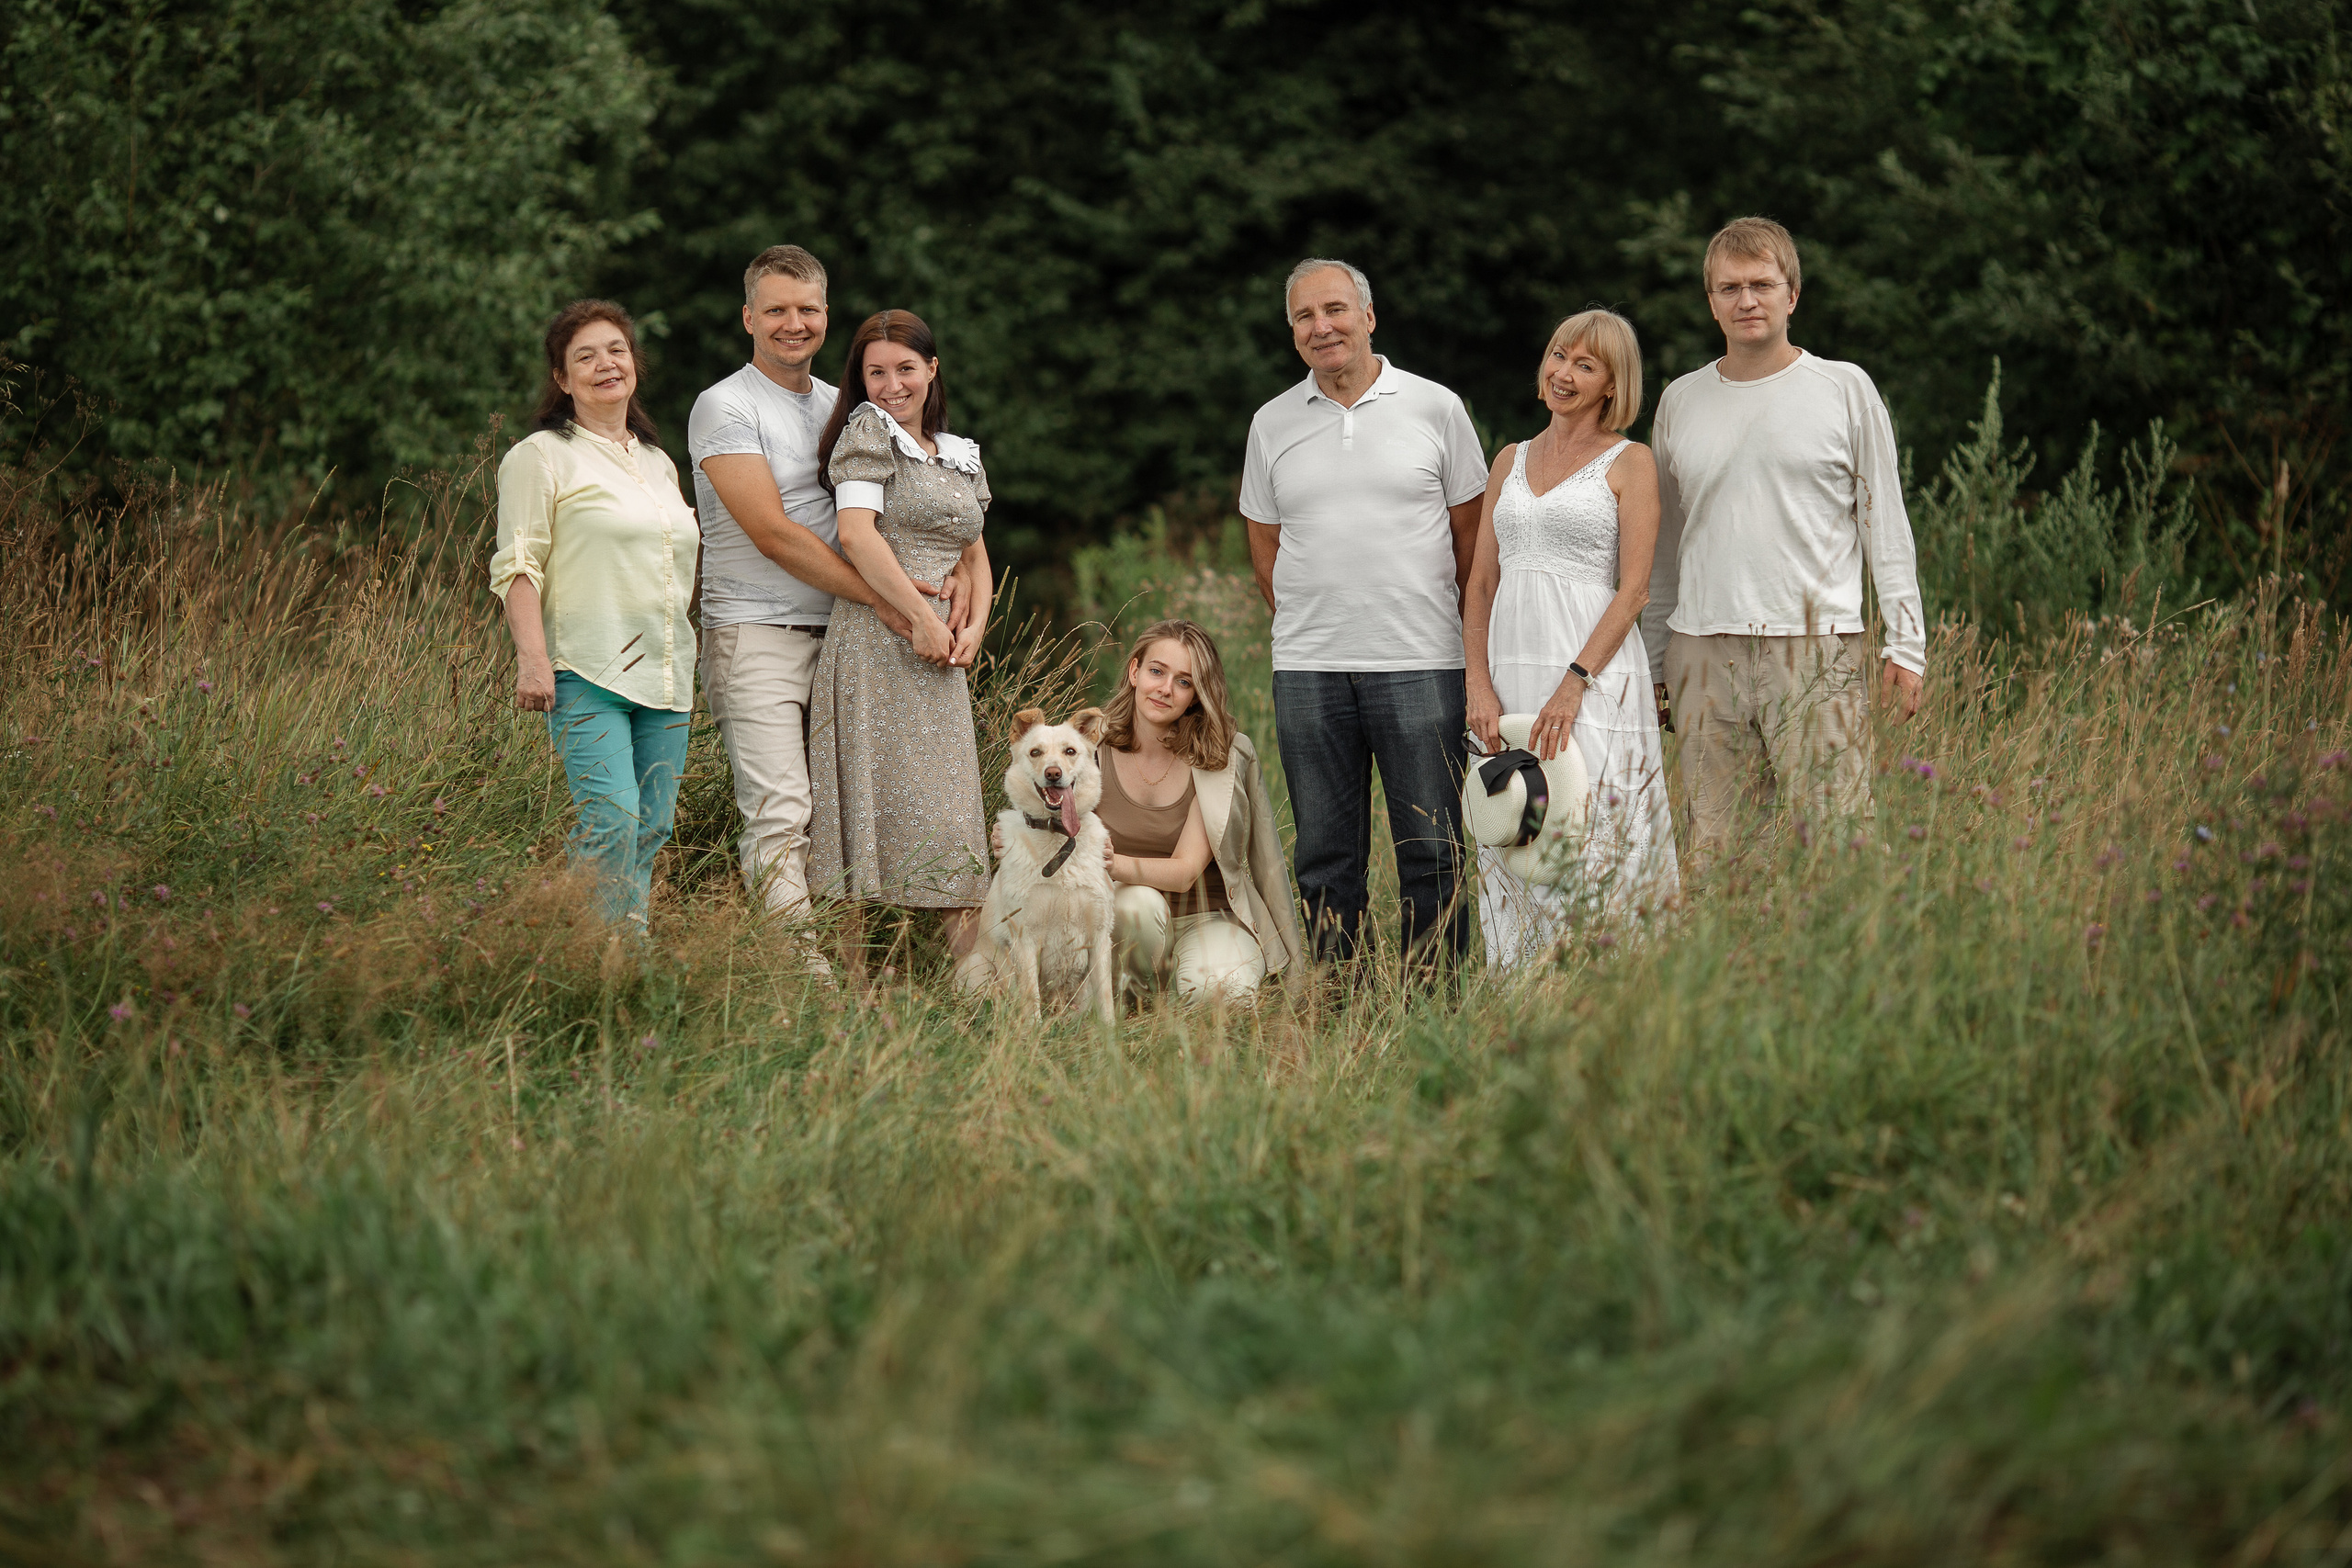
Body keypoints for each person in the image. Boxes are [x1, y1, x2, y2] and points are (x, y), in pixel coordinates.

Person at [688, 246, 970, 942]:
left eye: (807, 309)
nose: (793, 323)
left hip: (848, 642)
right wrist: (894, 600)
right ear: (749, 316)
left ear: (825, 315)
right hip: (757, 631)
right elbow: (773, 534)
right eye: (776, 309)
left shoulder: (847, 407)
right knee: (781, 812)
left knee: (842, 813)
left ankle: (864, 960)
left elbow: (898, 505)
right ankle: (800, 990)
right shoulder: (724, 405)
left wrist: (953, 568)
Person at [1640, 216, 1928, 863]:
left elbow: (1886, 522)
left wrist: (1908, 644)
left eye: (1763, 284)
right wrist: (1657, 657)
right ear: (1710, 301)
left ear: (1791, 295)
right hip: (1702, 650)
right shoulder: (1680, 400)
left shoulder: (1844, 388)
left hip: (1816, 648)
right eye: (1729, 287)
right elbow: (1666, 546)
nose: (1747, 300)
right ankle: (1730, 965)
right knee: (1718, 849)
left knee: (1837, 842)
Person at [1240, 258, 1487, 968]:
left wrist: (1455, 637)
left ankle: (1432, 997)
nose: (1323, 327)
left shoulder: (1436, 407)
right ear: (1292, 332)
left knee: (1432, 847)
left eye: (1335, 309)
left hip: (1421, 662)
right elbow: (1266, 549)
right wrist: (1315, 623)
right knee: (1324, 853)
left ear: (1369, 316)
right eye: (1304, 317)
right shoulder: (1271, 423)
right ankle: (1340, 999)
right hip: (1309, 670)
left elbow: (1470, 539)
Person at [1464, 310, 1682, 964]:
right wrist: (1477, 682)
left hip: (1591, 676)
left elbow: (1634, 590)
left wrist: (1573, 684)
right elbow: (1478, 585)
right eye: (1559, 355)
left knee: (1593, 825)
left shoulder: (1631, 462)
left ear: (1612, 385)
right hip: (1508, 670)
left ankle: (1610, 983)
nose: (1563, 372)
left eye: (1586, 365)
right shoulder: (1509, 459)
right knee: (1515, 818)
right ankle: (1519, 989)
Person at [490, 299, 698, 933]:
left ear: (634, 362)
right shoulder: (541, 455)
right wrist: (533, 660)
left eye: (616, 350)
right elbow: (517, 564)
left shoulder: (659, 463)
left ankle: (616, 953)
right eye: (586, 356)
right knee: (610, 819)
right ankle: (581, 948)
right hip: (586, 666)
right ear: (561, 377)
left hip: (667, 673)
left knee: (652, 826)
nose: (606, 364)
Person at [807, 310, 995, 954]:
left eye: (906, 369)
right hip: (876, 641)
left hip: (941, 655)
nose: (893, 385)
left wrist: (974, 626)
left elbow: (975, 552)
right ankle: (849, 993)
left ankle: (980, 994)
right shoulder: (867, 433)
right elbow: (857, 535)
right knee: (864, 805)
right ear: (860, 380)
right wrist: (919, 618)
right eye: (876, 371)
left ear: (931, 370)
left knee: (951, 812)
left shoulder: (958, 454)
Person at [1091, 620, 1305, 1002]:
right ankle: (1138, 997)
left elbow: (1186, 871)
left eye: (1184, 681)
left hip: (1209, 917)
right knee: (1136, 904)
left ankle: (1185, 994)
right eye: (1157, 671)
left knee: (1221, 993)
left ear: (1196, 694)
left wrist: (1105, 861)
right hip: (1125, 917)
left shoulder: (1219, 754)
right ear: (1134, 671)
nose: (1165, 689)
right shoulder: (1089, 744)